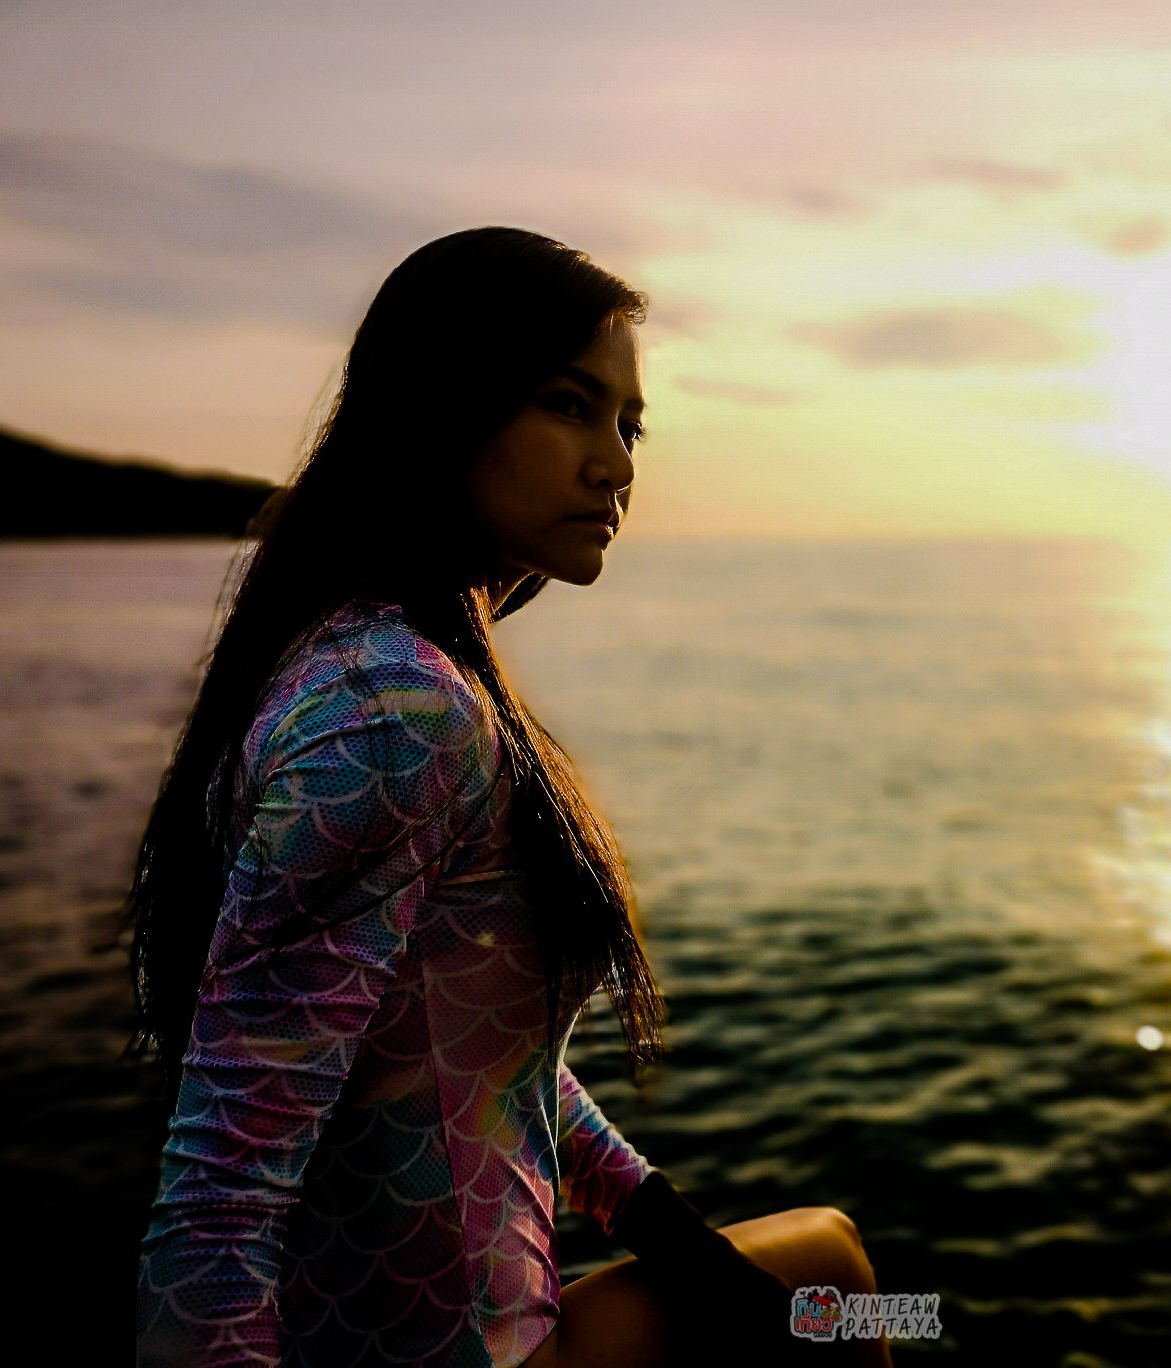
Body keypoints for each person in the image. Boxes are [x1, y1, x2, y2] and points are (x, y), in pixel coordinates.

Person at [126, 226, 892, 1367]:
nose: (617, 464)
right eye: (569, 406)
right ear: (446, 406)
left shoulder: (372, 663)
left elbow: (486, 1061)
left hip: (484, 1324)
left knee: (833, 1292)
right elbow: (218, 1199)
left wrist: (683, 1245)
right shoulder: (393, 716)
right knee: (843, 1276)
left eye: (629, 424)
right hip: (475, 1357)